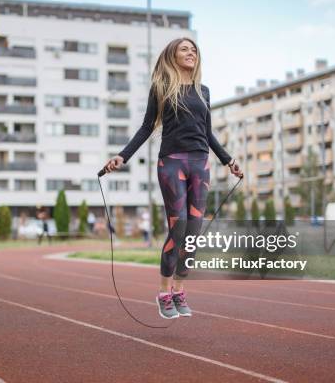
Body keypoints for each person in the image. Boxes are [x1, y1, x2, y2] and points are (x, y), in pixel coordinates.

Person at [102, 37, 243, 319]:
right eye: (184, 49)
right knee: (178, 227)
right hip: (172, 164)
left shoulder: (204, 91)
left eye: (194, 50)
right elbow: (146, 127)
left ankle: (179, 291)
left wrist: (228, 160)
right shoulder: (162, 87)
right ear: (172, 56)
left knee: (193, 233)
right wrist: (123, 156)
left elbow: (208, 132)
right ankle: (164, 293)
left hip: (200, 164)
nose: (191, 53)